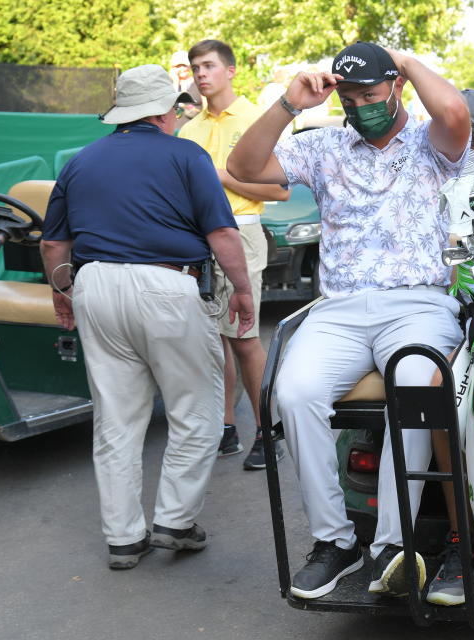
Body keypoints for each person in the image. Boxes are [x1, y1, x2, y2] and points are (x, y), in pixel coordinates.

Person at [227, 41, 470, 599]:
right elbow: (243, 167)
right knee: (293, 391)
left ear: (396, 88)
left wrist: (405, 60)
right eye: (352, 96)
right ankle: (334, 542)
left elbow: (456, 114)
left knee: (414, 384)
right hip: (339, 309)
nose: (361, 106)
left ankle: (391, 544)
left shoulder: (430, 142)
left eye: (371, 94)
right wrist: (290, 104)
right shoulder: (326, 146)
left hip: (418, 303)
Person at [39, 64, 255, 570]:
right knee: (197, 408)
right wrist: (243, 291)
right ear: (164, 110)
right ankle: (175, 521)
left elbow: (53, 243)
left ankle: (123, 539)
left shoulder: (80, 160)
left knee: (116, 417)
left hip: (95, 284)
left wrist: (63, 294)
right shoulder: (186, 154)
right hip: (166, 284)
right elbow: (222, 234)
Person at [178, 39, 290, 470]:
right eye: (194, 67)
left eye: (208, 66)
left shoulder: (255, 120)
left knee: (243, 338)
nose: (201, 74)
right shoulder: (189, 129)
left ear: (230, 71)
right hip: (196, 240)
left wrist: (220, 175)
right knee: (214, 339)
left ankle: (268, 432)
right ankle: (225, 428)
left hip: (240, 234)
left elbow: (278, 190)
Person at [425, 88, 474, 607]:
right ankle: (467, 537)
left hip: (447, 321)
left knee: (439, 389)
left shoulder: (418, 174)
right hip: (467, 324)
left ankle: (464, 534)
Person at [169, 50, 201, 130]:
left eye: (184, 66)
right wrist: (175, 84)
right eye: (178, 66)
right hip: (174, 131)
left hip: (194, 129)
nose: (182, 69)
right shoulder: (169, 85)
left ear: (190, 66)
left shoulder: (198, 83)